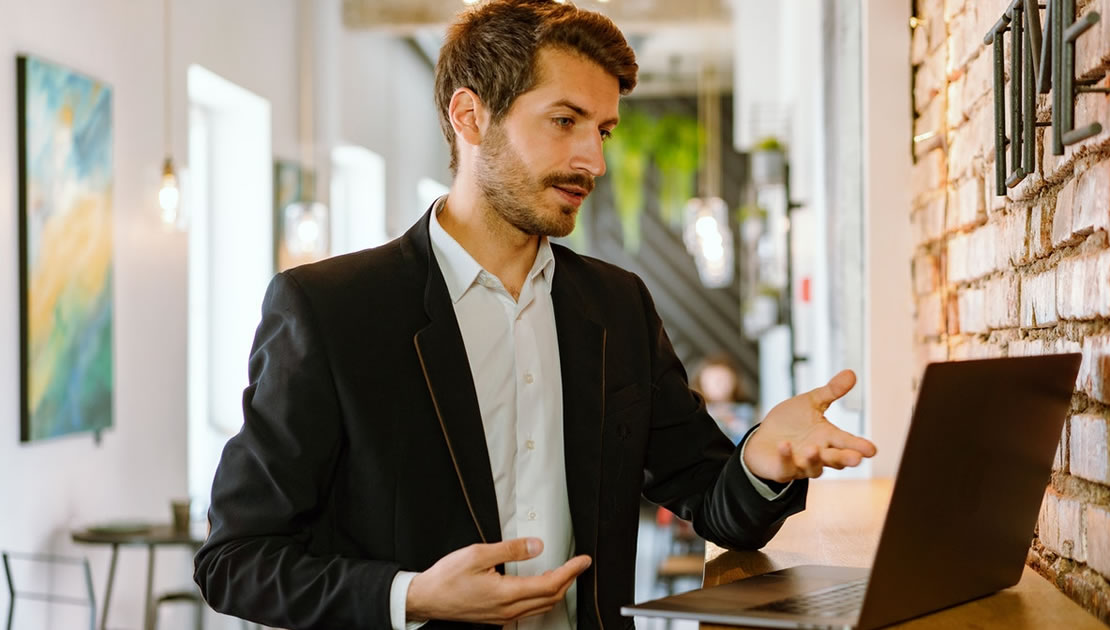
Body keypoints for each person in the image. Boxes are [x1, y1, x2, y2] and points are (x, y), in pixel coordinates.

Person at [193, 1, 876, 628]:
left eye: (603, 130)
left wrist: (762, 458)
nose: (595, 160)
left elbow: (713, 499)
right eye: (564, 121)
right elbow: (236, 560)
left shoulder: (618, 307)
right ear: (470, 117)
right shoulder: (331, 309)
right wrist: (412, 594)